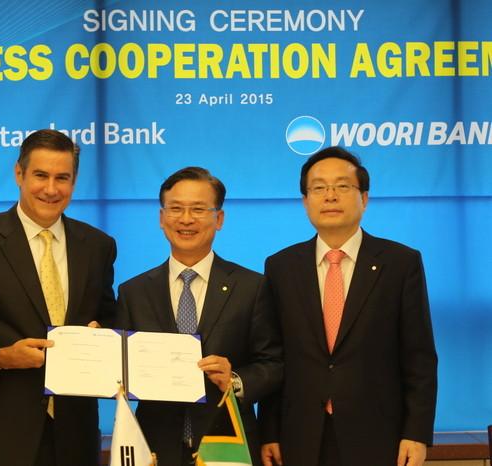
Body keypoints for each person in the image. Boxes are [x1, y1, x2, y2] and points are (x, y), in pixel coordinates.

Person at [0, 129, 116, 466]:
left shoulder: (98, 246)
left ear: (74, 181)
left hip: (73, 437)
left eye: (62, 178)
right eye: (40, 175)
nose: (51, 189)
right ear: (19, 173)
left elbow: (108, 316)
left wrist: (103, 335)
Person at [259, 146, 437, 466]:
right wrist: (269, 432)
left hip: (378, 436)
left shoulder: (400, 263)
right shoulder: (281, 266)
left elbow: (419, 357)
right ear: (305, 201)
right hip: (299, 436)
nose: (330, 196)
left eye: (342, 186)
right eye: (318, 188)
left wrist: (417, 433)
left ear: (364, 198)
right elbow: (274, 357)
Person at [116, 166, 283, 465]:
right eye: (175, 208)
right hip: (154, 447)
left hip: (228, 446)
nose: (186, 219)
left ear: (219, 219)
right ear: (161, 218)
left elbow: (273, 363)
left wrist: (235, 380)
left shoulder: (252, 287)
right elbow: (120, 370)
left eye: (198, 209)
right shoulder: (133, 292)